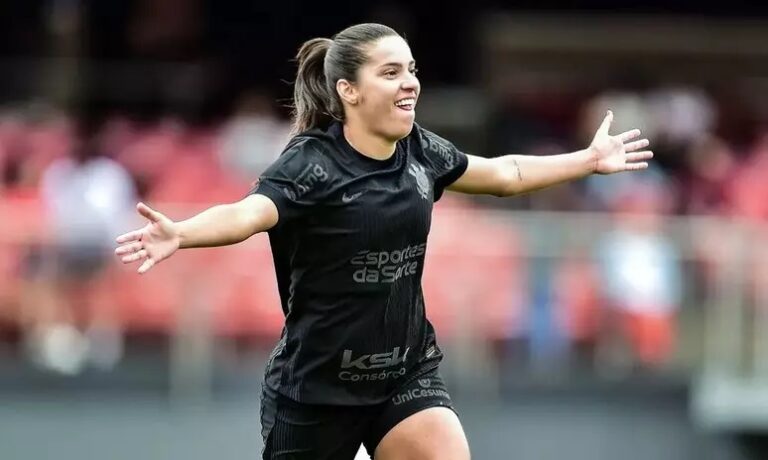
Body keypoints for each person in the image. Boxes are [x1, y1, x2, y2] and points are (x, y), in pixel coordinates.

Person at [115, 23, 652, 460]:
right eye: (391, 72)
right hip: (316, 393)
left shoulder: (420, 150)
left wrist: (587, 160)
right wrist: (181, 233)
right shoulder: (312, 164)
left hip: (404, 373)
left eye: (411, 70)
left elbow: (504, 173)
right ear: (348, 90)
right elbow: (247, 215)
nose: (410, 83)